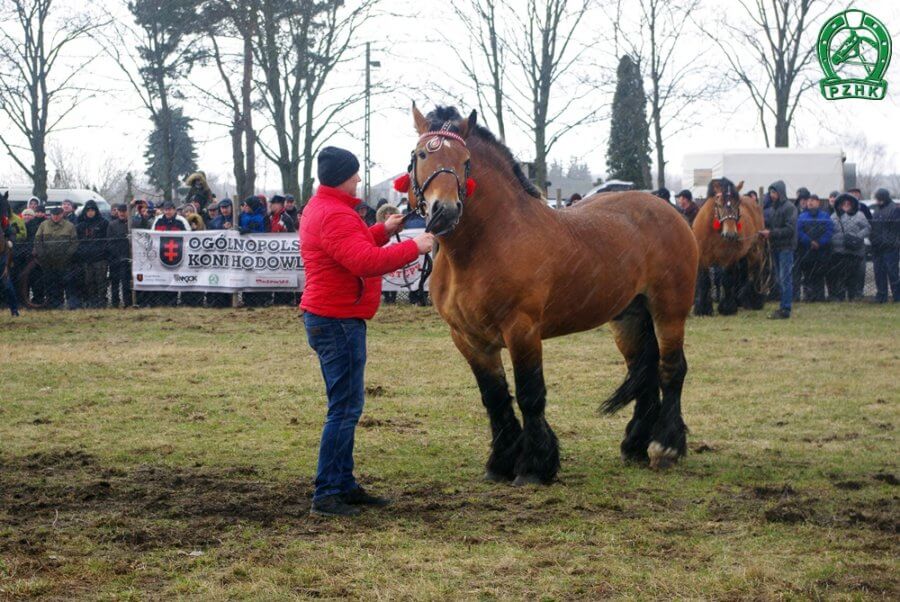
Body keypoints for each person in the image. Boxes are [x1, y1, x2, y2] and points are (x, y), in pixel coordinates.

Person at [301, 146, 435, 517]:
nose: (359, 179)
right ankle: (328, 492)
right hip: (338, 320)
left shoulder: (326, 209)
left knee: (345, 406)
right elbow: (363, 262)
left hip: (335, 317)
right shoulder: (336, 215)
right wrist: (414, 246)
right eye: (355, 174)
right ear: (343, 176)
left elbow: (352, 248)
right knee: (344, 409)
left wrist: (382, 230)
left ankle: (342, 484)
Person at [759, 180, 796, 319]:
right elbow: (772, 225)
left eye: (774, 192)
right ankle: (783, 305)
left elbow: (790, 229)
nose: (772, 195)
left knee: (785, 278)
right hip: (776, 247)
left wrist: (771, 233)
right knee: (780, 279)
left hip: (786, 248)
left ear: (780, 192)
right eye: (770, 192)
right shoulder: (774, 209)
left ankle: (785, 308)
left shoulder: (789, 208)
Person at [33, 206, 79, 309]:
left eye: (58, 215)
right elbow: (37, 240)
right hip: (48, 261)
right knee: (51, 283)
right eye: (54, 215)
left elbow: (74, 243)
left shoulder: (70, 226)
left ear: (62, 214)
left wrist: (67, 255)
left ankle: (70, 304)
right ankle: (53, 304)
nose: (56, 217)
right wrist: (42, 254)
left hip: (65, 262)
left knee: (67, 283)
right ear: (51, 215)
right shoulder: (44, 225)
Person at [828, 193, 870, 302]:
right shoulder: (834, 216)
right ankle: (840, 296)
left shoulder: (859, 215)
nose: (846, 205)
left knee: (854, 276)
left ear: (852, 204)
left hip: (854, 251)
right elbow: (830, 231)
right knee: (840, 275)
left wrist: (857, 237)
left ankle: (853, 296)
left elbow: (867, 228)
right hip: (839, 251)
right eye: (844, 203)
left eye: (848, 203)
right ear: (840, 204)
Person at [796, 194, 833, 302]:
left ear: (818, 202)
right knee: (807, 275)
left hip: (821, 251)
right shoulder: (802, 216)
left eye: (813, 200)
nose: (810, 202)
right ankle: (808, 296)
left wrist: (820, 242)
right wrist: (810, 241)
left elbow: (829, 231)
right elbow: (799, 232)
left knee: (819, 274)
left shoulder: (825, 216)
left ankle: (819, 296)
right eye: (809, 201)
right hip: (806, 251)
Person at [76, 200, 109, 308]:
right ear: (85, 211)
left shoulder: (103, 223)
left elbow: (107, 240)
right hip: (85, 258)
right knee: (88, 281)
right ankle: (91, 301)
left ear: (96, 211)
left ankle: (102, 301)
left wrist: (103, 251)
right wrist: (82, 252)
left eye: (92, 210)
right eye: (88, 210)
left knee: (101, 281)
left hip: (100, 258)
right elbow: (77, 241)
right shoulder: (80, 225)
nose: (90, 212)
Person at [870, 188, 900, 303]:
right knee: (879, 273)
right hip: (878, 247)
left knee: (892, 273)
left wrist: (890, 242)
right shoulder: (878, 211)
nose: (877, 201)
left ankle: (897, 297)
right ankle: (881, 296)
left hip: (890, 248)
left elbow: (895, 229)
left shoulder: (894, 210)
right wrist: (875, 241)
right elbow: (874, 228)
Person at [376, 204, 401, 304]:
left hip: (393, 257)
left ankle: (393, 297)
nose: (388, 215)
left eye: (390, 213)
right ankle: (386, 297)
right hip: (383, 257)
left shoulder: (399, 231)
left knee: (394, 274)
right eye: (386, 213)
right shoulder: (377, 227)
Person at [107, 204, 131, 308]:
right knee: (115, 283)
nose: (122, 213)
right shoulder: (112, 225)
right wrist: (118, 255)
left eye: (124, 211)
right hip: (115, 258)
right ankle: (115, 303)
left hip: (128, 258)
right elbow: (109, 242)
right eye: (120, 211)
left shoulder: (131, 224)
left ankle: (128, 303)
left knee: (126, 283)